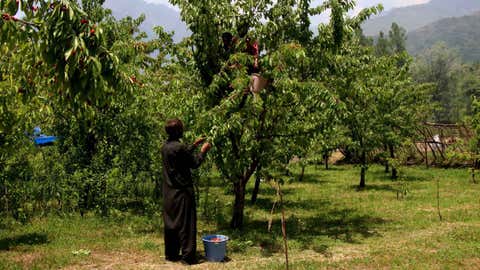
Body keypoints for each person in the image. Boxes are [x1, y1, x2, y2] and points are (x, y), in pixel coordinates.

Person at [161, 118, 212, 265]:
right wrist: (203, 151)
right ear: (177, 131)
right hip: (183, 192)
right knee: (186, 225)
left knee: (171, 224)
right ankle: (188, 257)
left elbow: (179, 156)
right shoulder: (180, 147)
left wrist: (194, 145)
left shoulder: (165, 147)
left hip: (169, 192)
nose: (183, 130)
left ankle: (171, 254)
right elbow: (194, 163)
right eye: (181, 128)